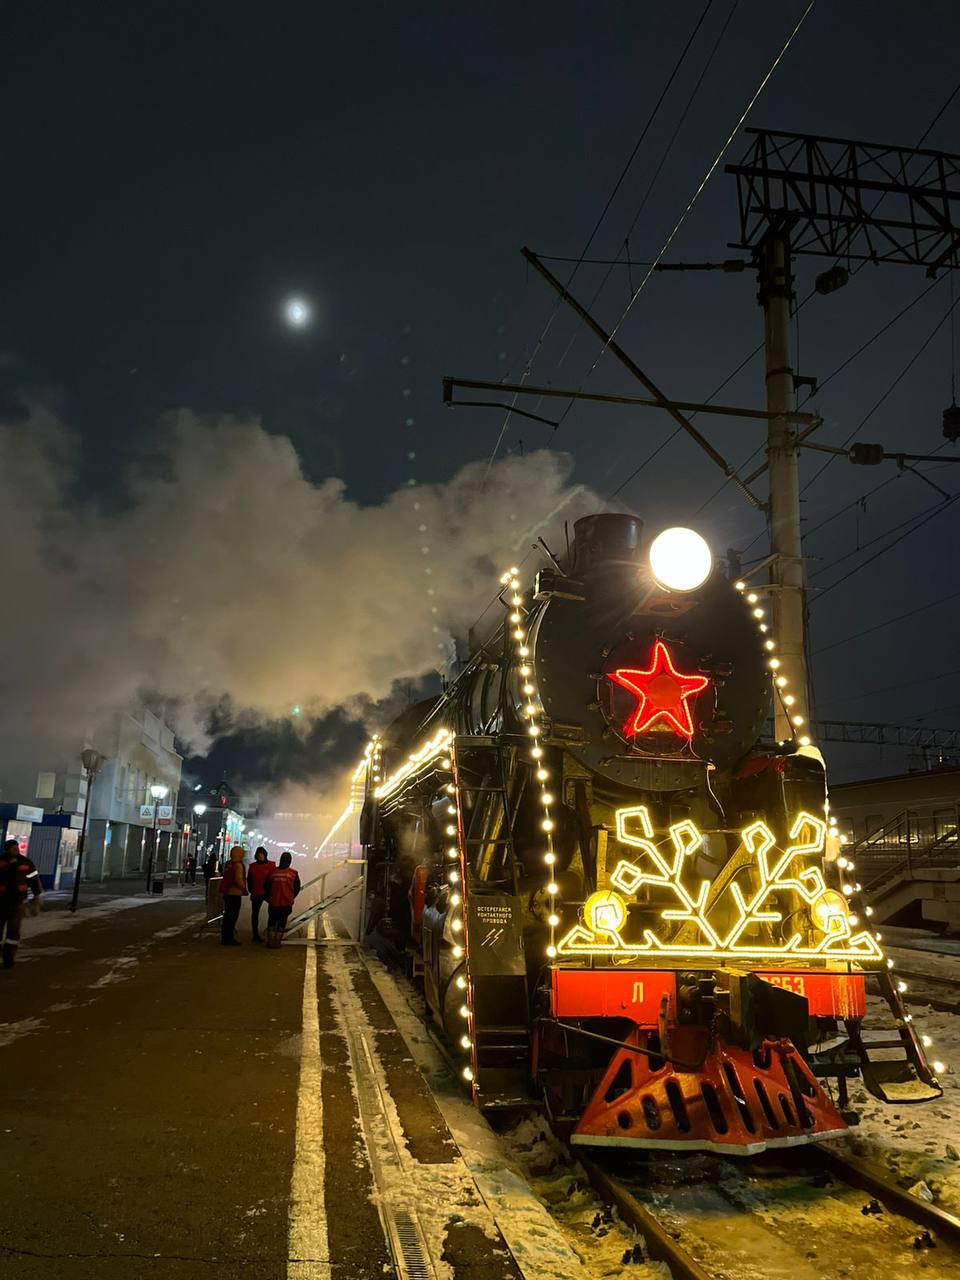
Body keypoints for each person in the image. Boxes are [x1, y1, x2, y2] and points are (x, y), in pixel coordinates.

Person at [0, 836, 43, 969]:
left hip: (17, 902)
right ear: (7, 850)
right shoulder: (1, 862)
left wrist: (37, 896)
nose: (16, 849)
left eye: (17, 847)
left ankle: (9, 958)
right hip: (1, 902)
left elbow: (34, 880)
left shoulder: (26, 863)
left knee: (13, 932)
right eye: (13, 848)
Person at [264, 851, 301, 949]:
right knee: (282, 922)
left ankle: (270, 942)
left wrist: (268, 898)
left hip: (273, 902)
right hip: (286, 903)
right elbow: (297, 888)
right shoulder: (293, 873)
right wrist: (291, 897)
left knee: (271, 921)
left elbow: (266, 886)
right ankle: (277, 942)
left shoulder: (273, 872)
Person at [219, 845, 248, 946]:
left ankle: (225, 937)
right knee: (232, 916)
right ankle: (229, 938)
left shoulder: (228, 864)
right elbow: (238, 879)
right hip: (235, 894)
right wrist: (244, 889)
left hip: (227, 893)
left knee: (227, 916)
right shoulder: (238, 865)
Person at [246, 846, 275, 943]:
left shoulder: (271, 865)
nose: (260, 856)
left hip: (268, 893)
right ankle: (255, 934)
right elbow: (249, 879)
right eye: (258, 855)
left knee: (273, 912)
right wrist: (251, 890)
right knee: (255, 914)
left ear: (265, 855)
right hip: (256, 892)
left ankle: (271, 931)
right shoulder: (252, 866)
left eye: (262, 854)